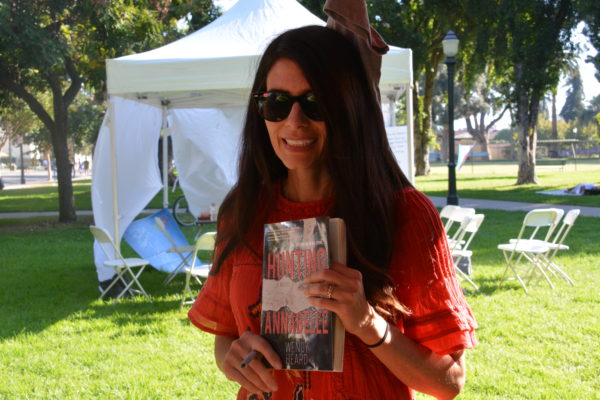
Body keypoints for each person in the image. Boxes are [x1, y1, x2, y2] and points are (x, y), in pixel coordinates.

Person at [188, 25, 477, 400]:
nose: (294, 121)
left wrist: (367, 323)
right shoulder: (242, 210)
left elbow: (449, 381)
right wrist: (234, 357)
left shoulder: (403, 213)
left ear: (349, 105)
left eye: (316, 102)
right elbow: (226, 336)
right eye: (276, 102)